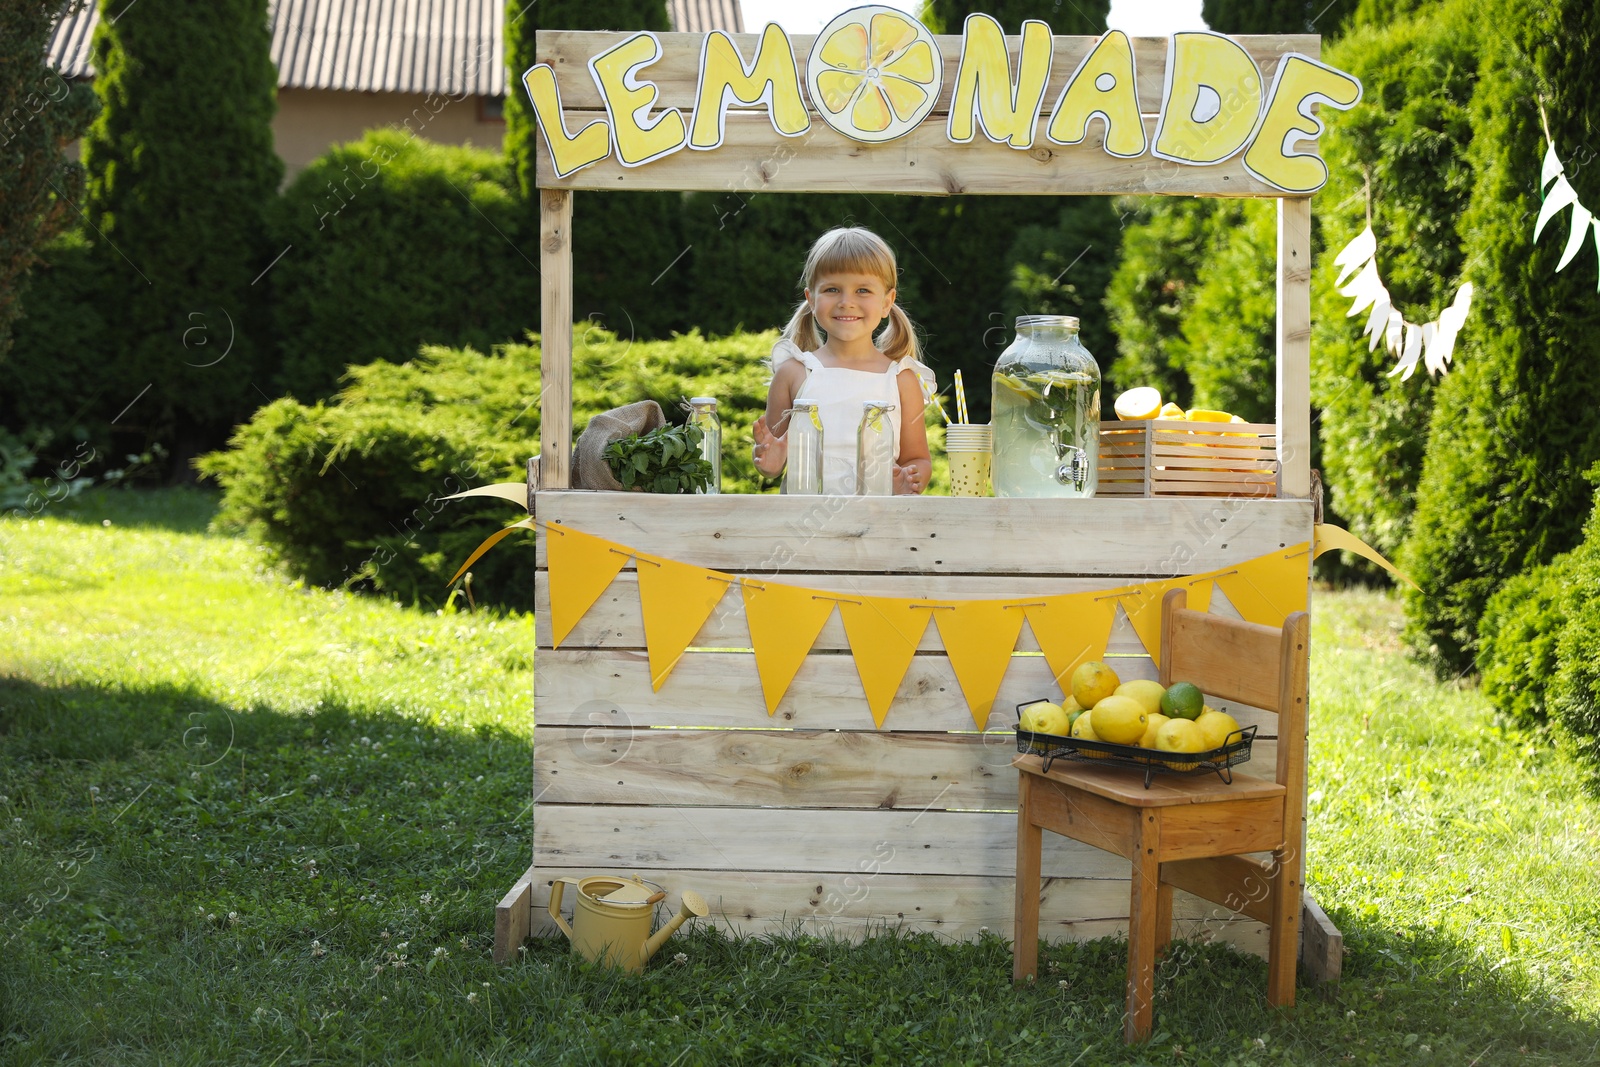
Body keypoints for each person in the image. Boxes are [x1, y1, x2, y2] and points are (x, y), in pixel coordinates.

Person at [751, 227, 935, 495]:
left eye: (862, 290)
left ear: (887, 302)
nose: (846, 302)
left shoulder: (901, 380)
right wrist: (770, 461)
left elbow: (918, 459)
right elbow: (773, 463)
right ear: (811, 299)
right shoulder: (794, 374)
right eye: (832, 289)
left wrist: (909, 479)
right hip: (804, 529)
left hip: (878, 527)